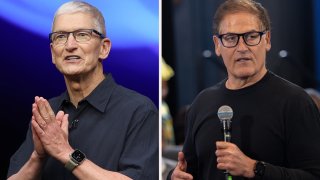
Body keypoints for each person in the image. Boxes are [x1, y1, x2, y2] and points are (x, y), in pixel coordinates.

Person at [169, 0, 320, 179]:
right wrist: (175, 175)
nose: (242, 48)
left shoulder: (296, 102)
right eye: (231, 38)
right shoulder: (201, 104)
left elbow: (313, 175)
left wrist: (255, 169)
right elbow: (189, 170)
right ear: (218, 45)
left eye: (251, 36)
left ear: (267, 40)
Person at [7, 1, 158, 180]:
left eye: (82, 35)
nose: (70, 45)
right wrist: (38, 157)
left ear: (104, 48)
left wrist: (65, 152)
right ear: (53, 53)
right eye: (61, 37)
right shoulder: (48, 113)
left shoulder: (138, 110)